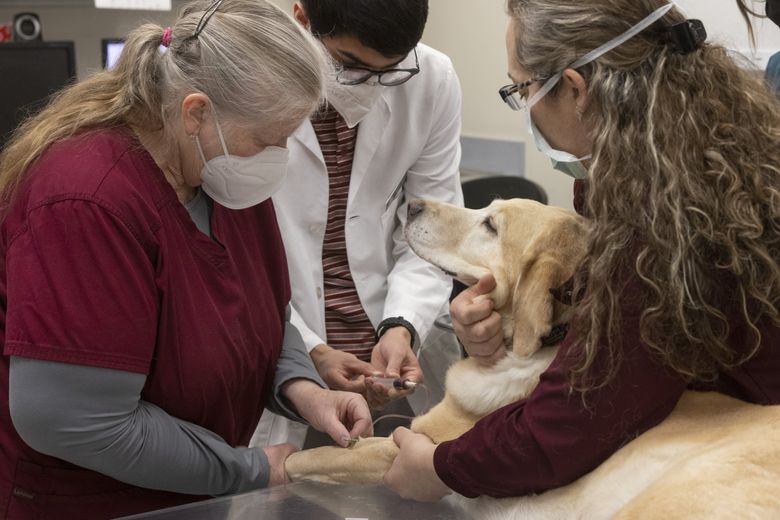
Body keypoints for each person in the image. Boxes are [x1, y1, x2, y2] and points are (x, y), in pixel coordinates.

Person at [384, 0, 780, 501]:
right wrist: (514, 317)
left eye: (521, 89)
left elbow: (576, 418)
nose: (525, 106)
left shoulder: (657, 224)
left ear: (575, 88)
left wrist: (442, 467)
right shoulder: (705, 158)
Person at [0, 1, 373, 518]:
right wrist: (253, 470)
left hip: (195, 495)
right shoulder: (85, 202)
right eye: (270, 138)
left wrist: (303, 389)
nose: (279, 155)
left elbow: (263, 310)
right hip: (91, 502)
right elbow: (75, 419)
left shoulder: (221, 173)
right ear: (196, 113)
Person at [251, 0, 464, 449]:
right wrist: (310, 348)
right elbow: (234, 255)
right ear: (302, 19)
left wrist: (401, 326)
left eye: (391, 71)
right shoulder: (250, 81)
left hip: (387, 344)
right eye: (350, 65)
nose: (371, 87)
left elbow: (432, 232)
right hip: (277, 339)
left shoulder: (432, 78)